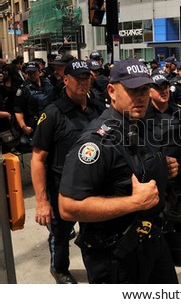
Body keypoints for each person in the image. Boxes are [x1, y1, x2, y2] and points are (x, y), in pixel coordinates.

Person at [58, 58, 179, 284]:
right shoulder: (95, 142)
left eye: (145, 89)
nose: (141, 97)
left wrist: (162, 167)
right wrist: (134, 203)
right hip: (117, 256)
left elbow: (131, 170)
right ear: (112, 91)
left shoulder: (135, 123)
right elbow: (68, 207)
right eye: (134, 90)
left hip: (152, 242)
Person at [31, 59, 104, 284]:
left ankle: (97, 271)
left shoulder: (98, 108)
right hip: (62, 187)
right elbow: (37, 159)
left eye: (86, 77)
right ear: (65, 80)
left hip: (94, 186)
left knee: (95, 233)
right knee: (61, 234)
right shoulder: (52, 114)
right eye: (77, 78)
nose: (83, 82)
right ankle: (59, 269)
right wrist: (42, 201)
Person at [145, 74, 181, 221]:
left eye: (166, 87)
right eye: (158, 88)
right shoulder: (142, 115)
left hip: (178, 176)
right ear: (149, 91)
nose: (164, 91)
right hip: (152, 178)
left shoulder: (180, 113)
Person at [14, 61, 54, 142]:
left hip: (51, 120)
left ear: (39, 71)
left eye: (34, 72)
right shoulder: (23, 89)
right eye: (29, 73)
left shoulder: (48, 82)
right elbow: (18, 109)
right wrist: (23, 126)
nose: (32, 74)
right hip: (35, 123)